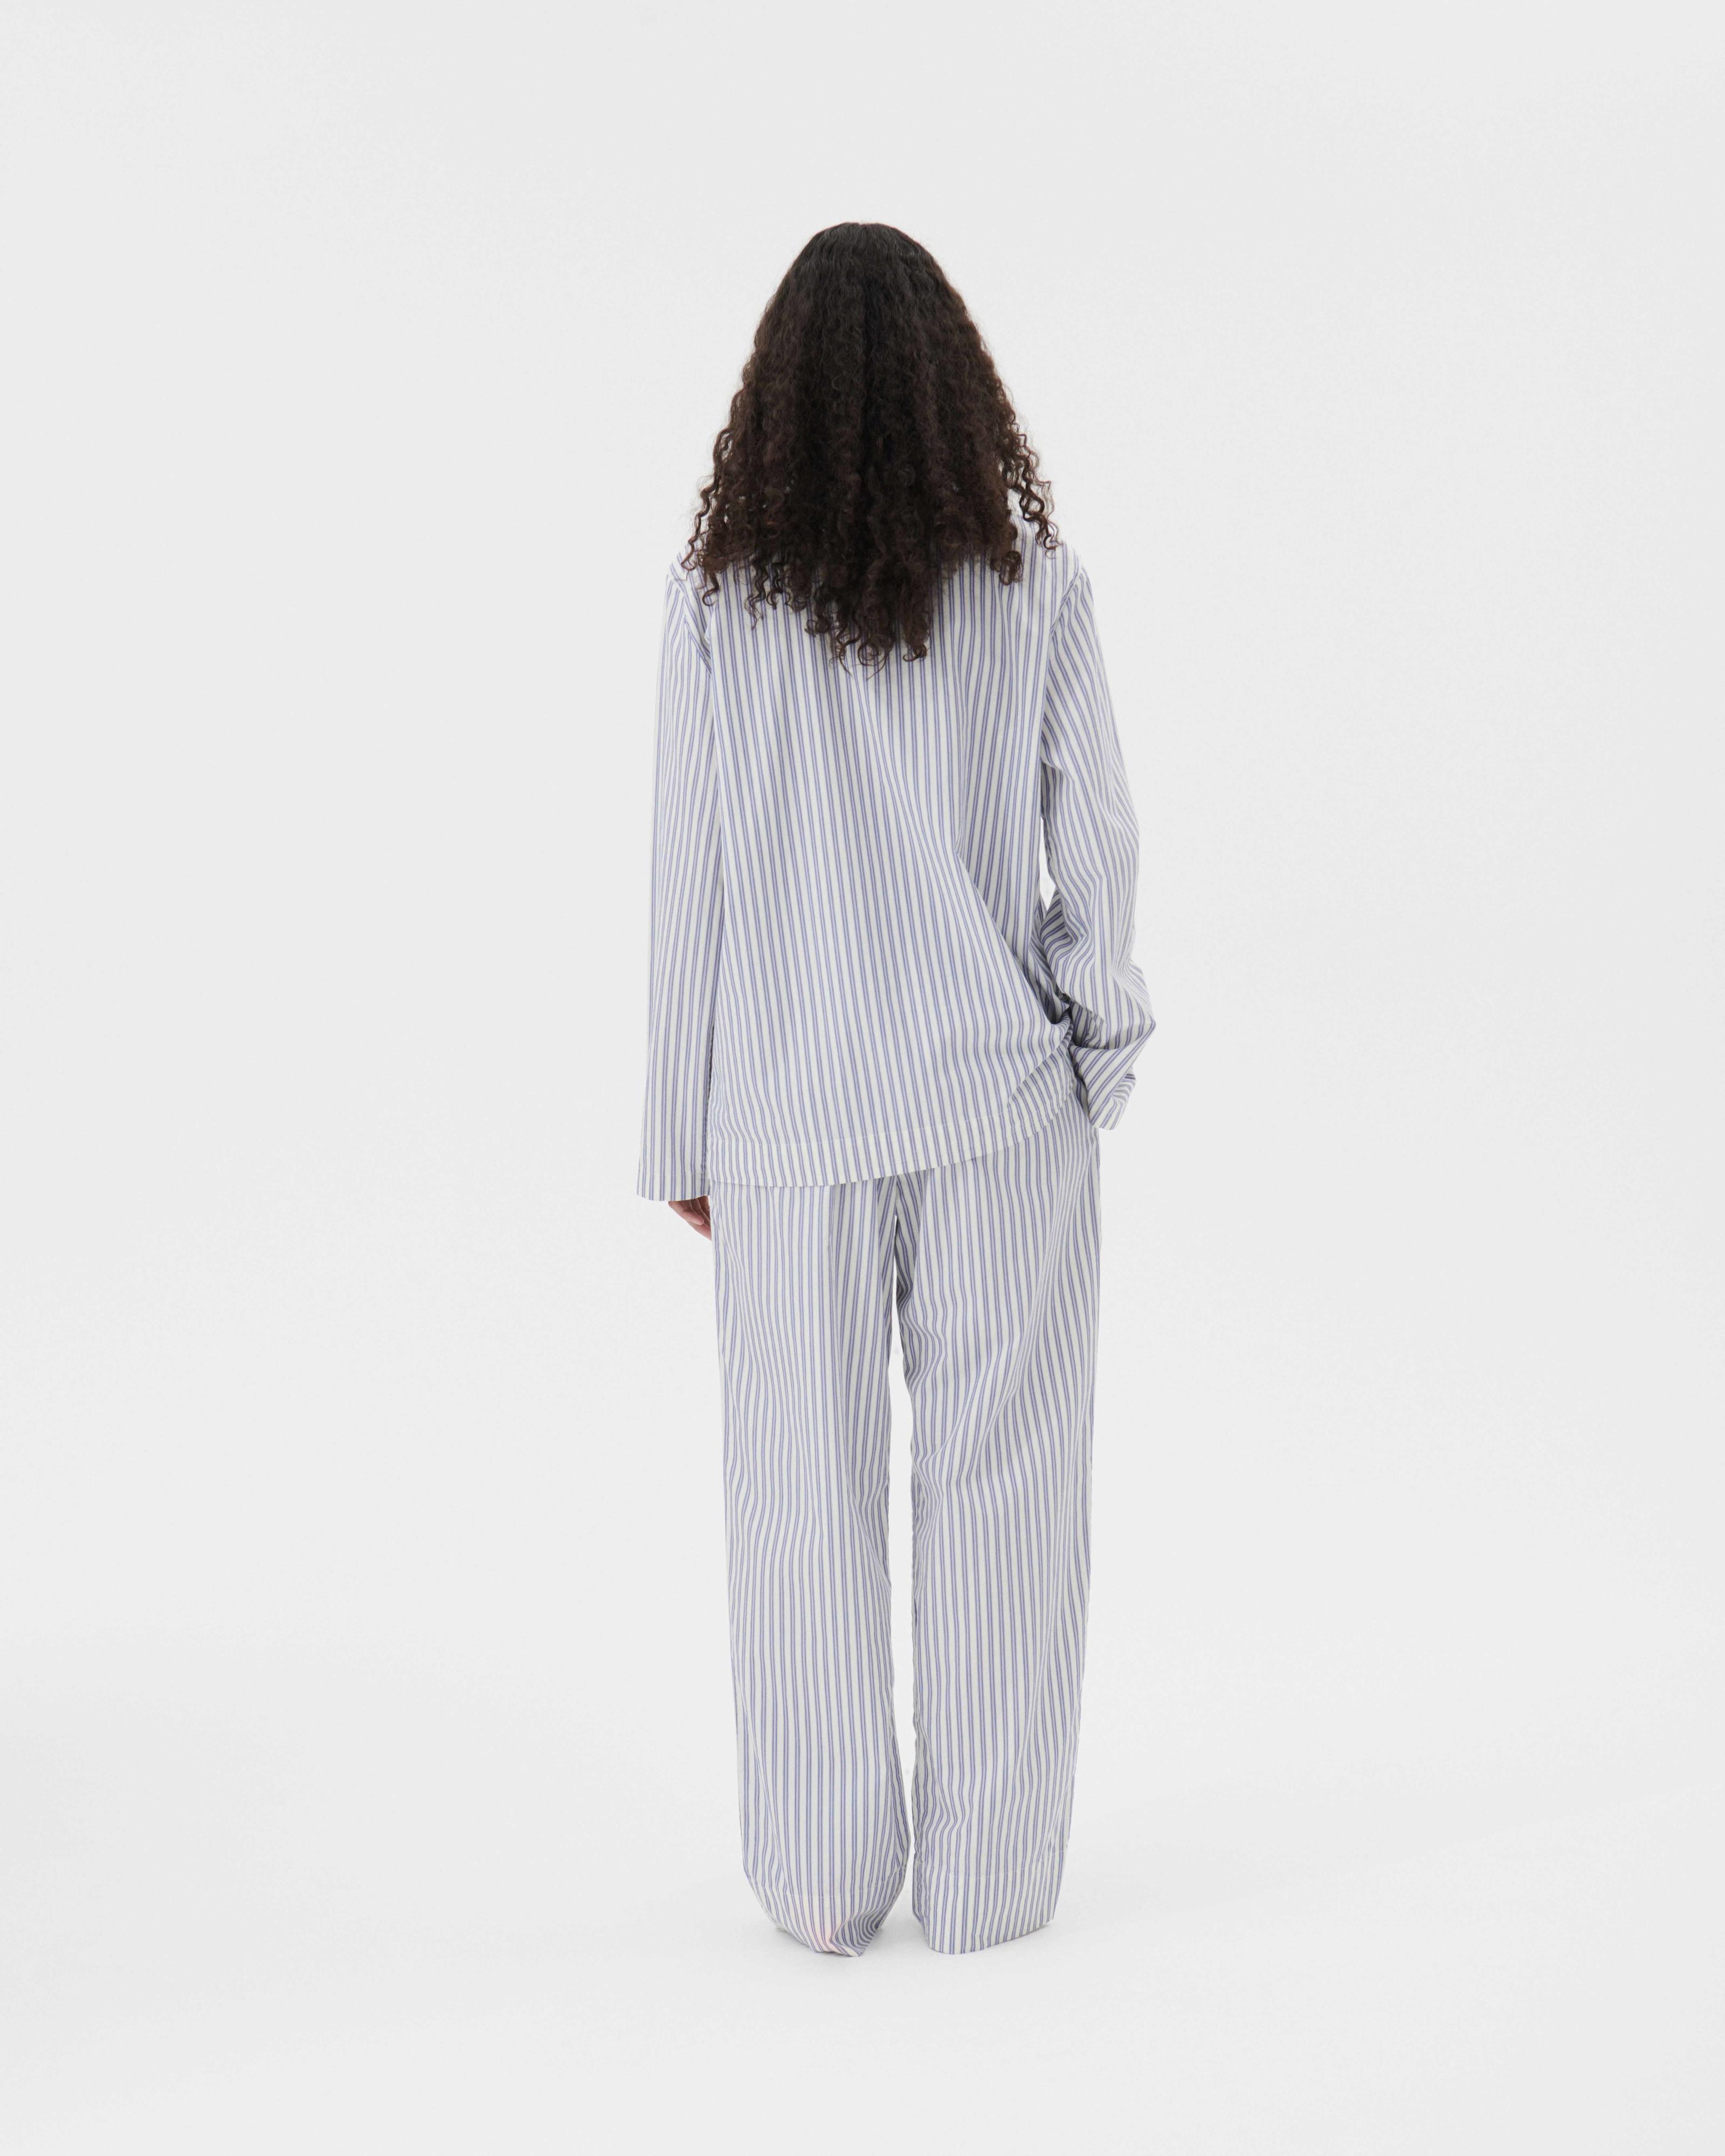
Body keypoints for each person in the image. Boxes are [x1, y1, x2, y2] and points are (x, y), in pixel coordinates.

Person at [636, 222, 1154, 1957]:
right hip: (1002, 1112)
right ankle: (993, 1893)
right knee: (1009, 1498)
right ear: (956, 388)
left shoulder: (716, 609)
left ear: (769, 402)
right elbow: (1100, 840)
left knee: (799, 1499)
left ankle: (822, 1884)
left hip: (786, 1120)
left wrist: (683, 1129)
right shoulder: (1033, 584)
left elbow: (690, 885)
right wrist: (1097, 1044)